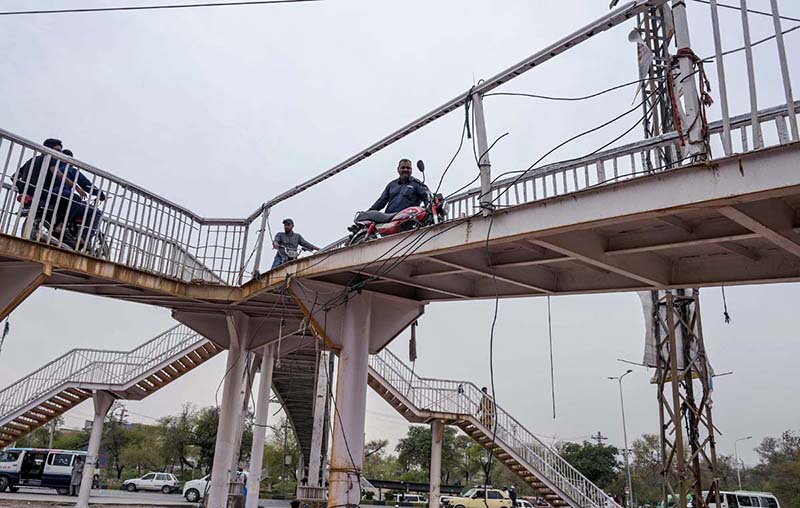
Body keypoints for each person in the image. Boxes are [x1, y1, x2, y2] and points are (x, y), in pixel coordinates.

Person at [56, 149, 105, 245]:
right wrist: (100, 193)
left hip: (49, 197)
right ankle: (84, 239)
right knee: (96, 212)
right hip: (65, 198)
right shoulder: (69, 169)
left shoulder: (51, 167)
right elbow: (86, 185)